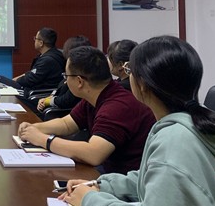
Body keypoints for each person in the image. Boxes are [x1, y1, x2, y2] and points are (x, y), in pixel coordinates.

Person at [60, 36, 215, 206]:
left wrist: (90, 201)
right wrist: (103, 185)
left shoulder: (174, 141)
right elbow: (154, 177)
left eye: (129, 71)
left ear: (142, 84)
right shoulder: (189, 122)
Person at [18, 46, 156, 174]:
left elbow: (93, 154)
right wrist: (34, 128)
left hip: (125, 178)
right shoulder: (97, 95)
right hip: (109, 170)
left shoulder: (117, 106)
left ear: (79, 81)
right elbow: (67, 124)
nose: (65, 81)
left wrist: (42, 139)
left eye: (66, 76)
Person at [37, 35, 92, 113]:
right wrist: (46, 99)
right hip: (55, 106)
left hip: (63, 112)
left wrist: (47, 101)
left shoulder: (81, 74)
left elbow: (66, 100)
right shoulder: (71, 69)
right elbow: (59, 89)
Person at [12, 27, 65, 92]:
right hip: (36, 90)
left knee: (3, 80)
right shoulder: (49, 54)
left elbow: (31, 80)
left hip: (40, 93)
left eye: (35, 38)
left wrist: (14, 82)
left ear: (41, 43)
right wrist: (14, 80)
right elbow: (31, 73)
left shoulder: (47, 60)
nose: (34, 40)